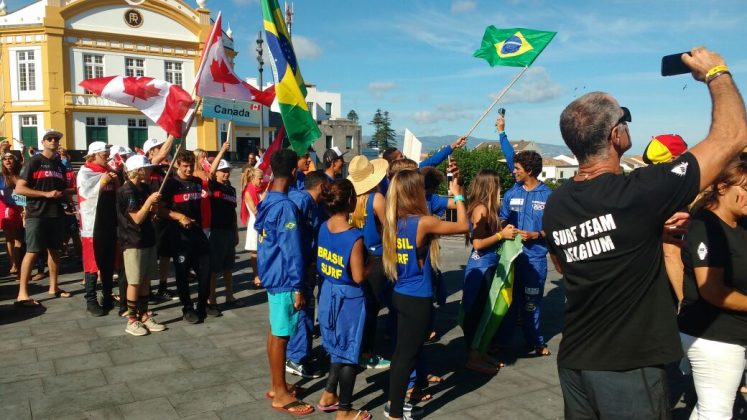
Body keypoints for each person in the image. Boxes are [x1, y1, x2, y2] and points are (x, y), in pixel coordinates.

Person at [542, 47, 747, 418]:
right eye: (626, 119)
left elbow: (563, 264)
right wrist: (716, 72)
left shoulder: (559, 203)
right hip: (627, 365)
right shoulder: (640, 192)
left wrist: (647, 235)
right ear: (616, 134)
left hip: (575, 360)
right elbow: (731, 136)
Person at [382, 169, 469, 419]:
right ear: (413, 192)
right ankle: (396, 412)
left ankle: (394, 403)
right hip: (417, 298)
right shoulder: (422, 222)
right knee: (407, 356)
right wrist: (458, 196)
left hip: (401, 293)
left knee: (402, 354)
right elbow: (464, 226)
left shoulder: (394, 220)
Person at [677, 157, 747, 419]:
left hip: (732, 332)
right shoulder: (706, 227)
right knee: (716, 411)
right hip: (713, 336)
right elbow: (712, 290)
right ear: (721, 187)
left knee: (710, 407)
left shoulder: (738, 223)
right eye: (746, 190)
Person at [254, 148, 314, 416]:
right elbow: (292, 250)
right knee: (281, 336)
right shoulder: (287, 207)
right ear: (293, 172)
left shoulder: (268, 199)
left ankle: (278, 383)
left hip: (272, 274)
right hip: (285, 279)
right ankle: (280, 393)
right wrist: (299, 286)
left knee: (274, 331)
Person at [316, 179, 372, 420]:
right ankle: (345, 410)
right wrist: (374, 263)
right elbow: (359, 275)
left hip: (328, 291)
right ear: (350, 201)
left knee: (336, 349)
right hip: (349, 299)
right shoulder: (354, 237)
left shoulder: (323, 226)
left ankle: (329, 394)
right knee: (349, 353)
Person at [494, 150, 553, 356]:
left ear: (529, 170)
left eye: (517, 168)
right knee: (507, 301)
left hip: (535, 259)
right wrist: (502, 227)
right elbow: (502, 218)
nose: (514, 171)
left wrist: (536, 234)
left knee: (530, 303)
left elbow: (556, 228)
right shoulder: (512, 193)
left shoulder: (549, 196)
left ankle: (535, 341)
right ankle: (501, 340)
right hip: (511, 257)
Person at [462, 169, 517, 374]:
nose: (500, 189)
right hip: (480, 267)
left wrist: (500, 228)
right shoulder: (481, 209)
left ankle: (479, 352)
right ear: (491, 186)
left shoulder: (484, 208)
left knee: (483, 311)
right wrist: (501, 235)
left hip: (487, 265)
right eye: (498, 185)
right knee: (475, 313)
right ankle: (473, 357)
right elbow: (477, 243)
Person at [14, 129, 72, 306]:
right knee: (32, 251)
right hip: (36, 213)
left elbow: (61, 190)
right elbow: (19, 189)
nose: (53, 141)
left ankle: (54, 287)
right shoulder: (34, 161)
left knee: (55, 251)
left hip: (56, 214)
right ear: (43, 142)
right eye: (50, 138)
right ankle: (22, 294)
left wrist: (69, 197)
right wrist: (45, 194)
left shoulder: (59, 165)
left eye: (56, 139)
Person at [161, 149, 215, 323]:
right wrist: (179, 217)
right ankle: (187, 307)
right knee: (182, 273)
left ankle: (202, 304)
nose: (189, 170)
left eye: (191, 165)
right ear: (177, 164)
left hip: (198, 233)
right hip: (179, 236)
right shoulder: (169, 184)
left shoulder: (198, 182)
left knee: (206, 270)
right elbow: (160, 210)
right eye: (185, 166)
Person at [349, 155, 391, 370]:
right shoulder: (377, 199)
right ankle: (366, 351)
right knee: (372, 306)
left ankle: (354, 347)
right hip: (376, 256)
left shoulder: (352, 199)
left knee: (359, 303)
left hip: (356, 254)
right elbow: (389, 229)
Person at [286, 170, 328, 379]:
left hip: (302, 266)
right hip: (300, 268)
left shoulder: (303, 200)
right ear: (321, 186)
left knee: (302, 311)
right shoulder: (302, 202)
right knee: (303, 310)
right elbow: (295, 238)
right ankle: (296, 358)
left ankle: (298, 352)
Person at [117, 155, 166, 335]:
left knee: (145, 279)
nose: (150, 170)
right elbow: (136, 218)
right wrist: (148, 203)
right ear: (138, 170)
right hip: (133, 241)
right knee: (135, 281)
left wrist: (154, 208)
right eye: (146, 168)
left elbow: (147, 214)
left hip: (147, 238)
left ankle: (144, 314)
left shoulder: (144, 187)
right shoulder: (126, 190)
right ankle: (132, 319)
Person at [77, 142, 120, 316]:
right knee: (92, 262)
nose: (107, 157)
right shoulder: (85, 172)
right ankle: (91, 299)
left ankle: (107, 296)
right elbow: (86, 194)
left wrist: (116, 181)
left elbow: (119, 194)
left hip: (110, 222)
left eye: (108, 153)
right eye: (104, 154)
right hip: (93, 225)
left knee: (108, 261)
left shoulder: (109, 171)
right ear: (93, 155)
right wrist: (103, 182)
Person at [142, 136, 177, 301]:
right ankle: (146, 289)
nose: (164, 150)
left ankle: (163, 286)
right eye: (158, 148)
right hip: (152, 217)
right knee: (152, 255)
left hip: (166, 215)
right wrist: (173, 134)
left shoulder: (165, 169)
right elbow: (162, 154)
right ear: (150, 152)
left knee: (165, 254)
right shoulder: (148, 167)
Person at [207, 141, 241, 308]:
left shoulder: (232, 190)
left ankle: (229, 296)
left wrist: (235, 232)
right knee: (214, 269)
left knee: (228, 267)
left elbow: (234, 212)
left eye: (228, 171)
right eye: (223, 171)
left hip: (228, 231)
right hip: (216, 231)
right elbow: (210, 172)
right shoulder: (212, 185)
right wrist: (221, 151)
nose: (226, 174)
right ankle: (211, 299)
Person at [0, 152, 24, 276]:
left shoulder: (21, 175)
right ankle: (15, 264)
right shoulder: (1, 176)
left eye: (10, 158)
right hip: (7, 209)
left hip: (22, 208)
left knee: (19, 238)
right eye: (5, 159)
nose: (8, 161)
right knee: (10, 238)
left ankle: (17, 264)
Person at [241, 167, 265, 287]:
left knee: (264, 251)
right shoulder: (248, 191)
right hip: (255, 225)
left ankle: (264, 274)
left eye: (263, 178)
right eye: (260, 179)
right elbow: (255, 211)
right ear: (252, 178)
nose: (262, 181)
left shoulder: (262, 189)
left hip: (264, 224)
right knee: (255, 252)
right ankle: (256, 276)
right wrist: (264, 199)